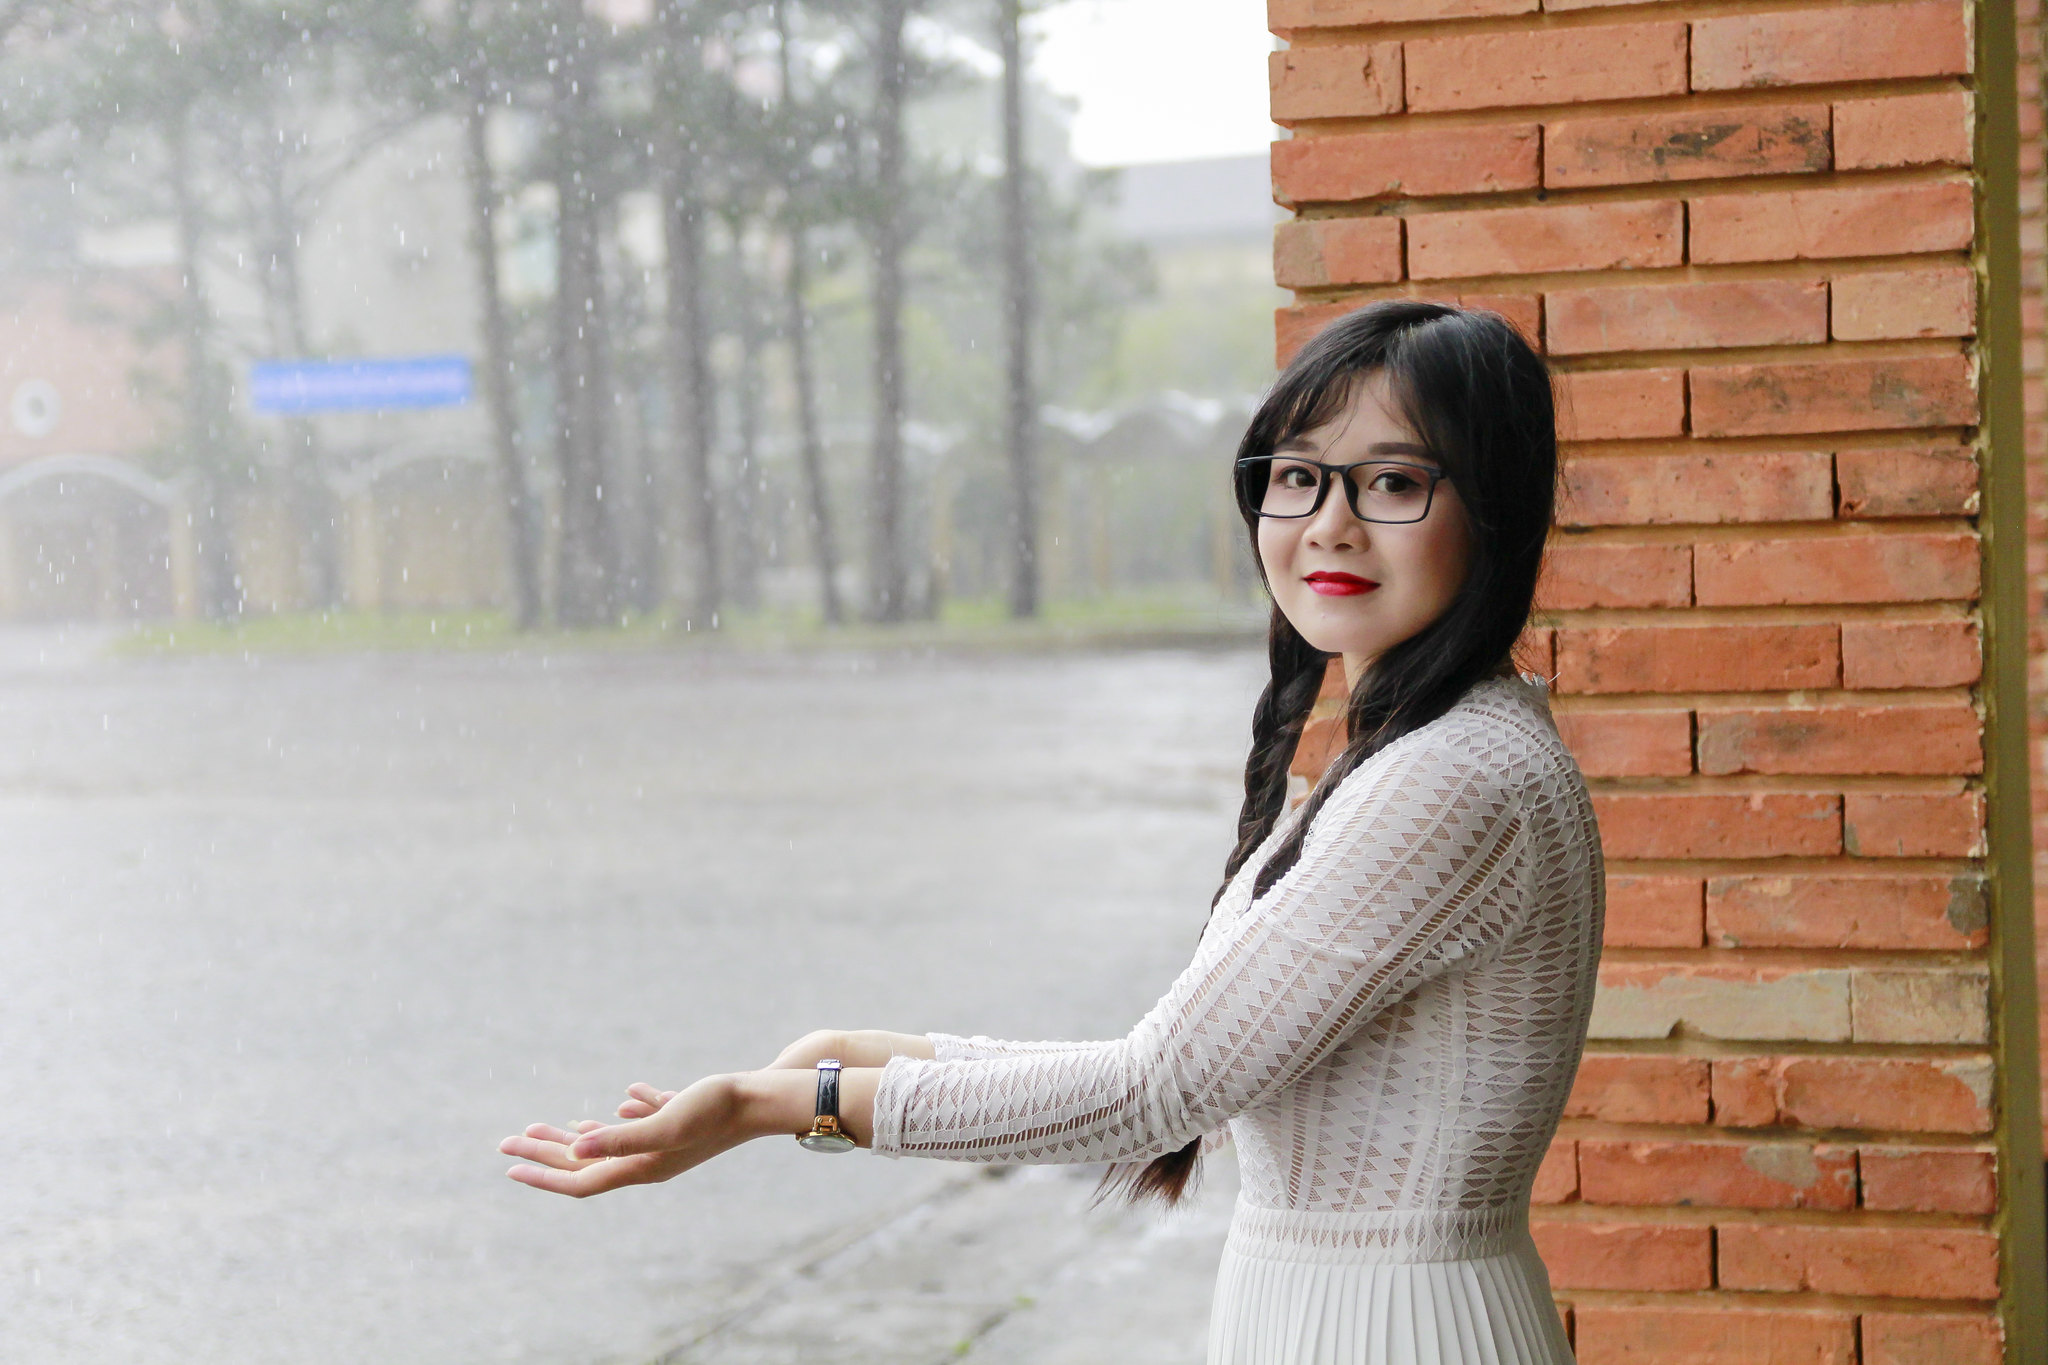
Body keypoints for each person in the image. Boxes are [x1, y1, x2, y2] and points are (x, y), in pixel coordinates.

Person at [500, 300, 1602, 1365]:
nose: (1328, 523)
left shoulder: (1448, 778)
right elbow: (1180, 1062)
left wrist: (777, 1106)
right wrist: (856, 1055)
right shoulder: (1422, 754)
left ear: (1493, 513)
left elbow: (1152, 1090)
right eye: (1298, 476)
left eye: (1394, 481)